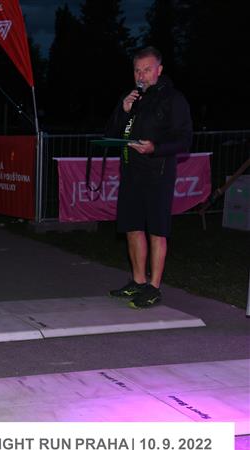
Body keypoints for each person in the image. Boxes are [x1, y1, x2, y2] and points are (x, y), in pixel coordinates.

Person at [105, 46, 192, 309]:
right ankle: (138, 281)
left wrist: (155, 148)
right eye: (137, 70)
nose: (141, 75)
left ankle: (154, 288)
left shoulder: (173, 98)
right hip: (131, 173)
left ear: (159, 70)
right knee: (132, 228)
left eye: (147, 69)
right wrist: (123, 110)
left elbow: (185, 141)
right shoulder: (131, 99)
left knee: (156, 230)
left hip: (158, 174)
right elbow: (111, 134)